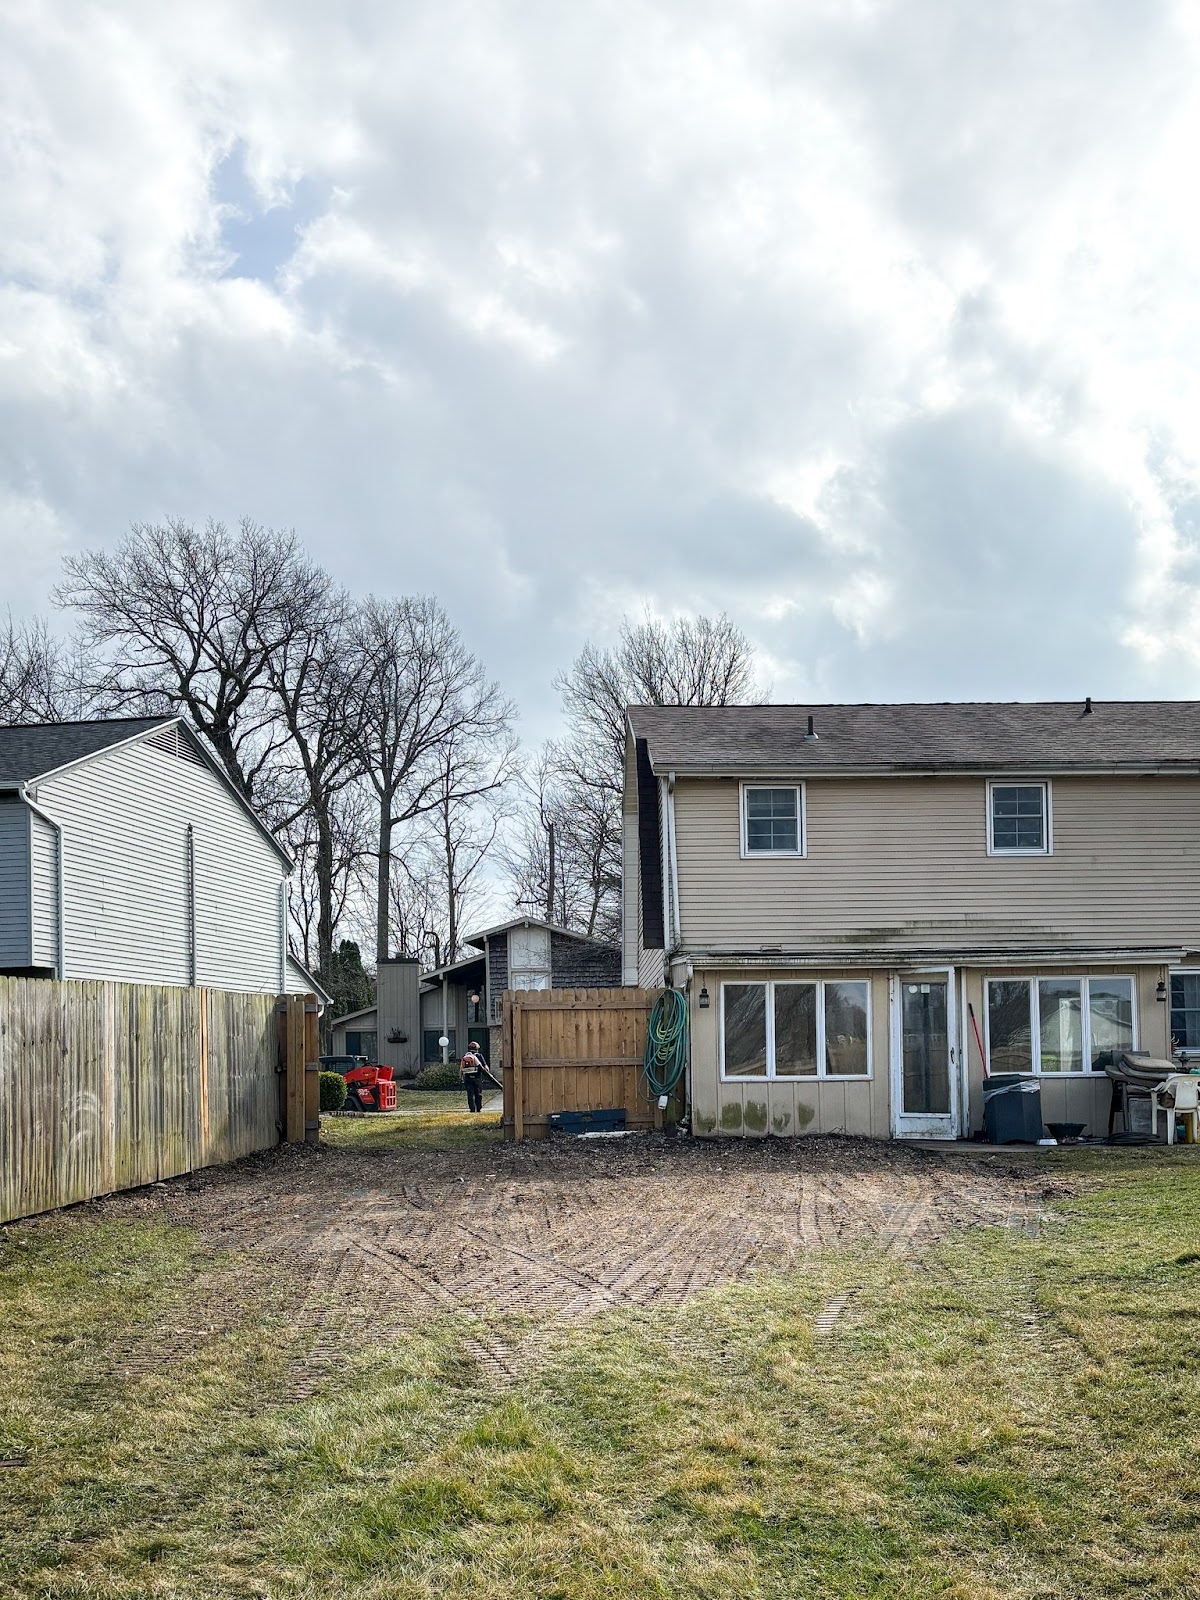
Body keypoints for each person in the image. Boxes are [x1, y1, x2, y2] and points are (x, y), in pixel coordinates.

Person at [460, 1040, 485, 1112]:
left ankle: (472, 1109)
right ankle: (479, 1108)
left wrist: (461, 1078)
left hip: (467, 1078)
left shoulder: (465, 1056)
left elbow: (461, 1068)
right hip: (477, 1078)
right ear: (477, 1048)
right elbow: (484, 1067)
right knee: (478, 1093)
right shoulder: (479, 1056)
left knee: (470, 1094)